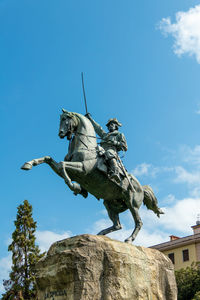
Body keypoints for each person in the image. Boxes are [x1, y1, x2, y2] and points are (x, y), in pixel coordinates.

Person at [86, 114, 127, 182]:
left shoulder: (119, 134)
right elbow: (98, 128)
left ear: (115, 126)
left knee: (108, 153)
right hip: (101, 150)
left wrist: (114, 142)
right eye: (108, 126)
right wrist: (90, 119)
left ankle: (115, 171)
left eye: (111, 125)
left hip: (112, 150)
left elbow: (124, 146)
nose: (109, 126)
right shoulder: (104, 135)